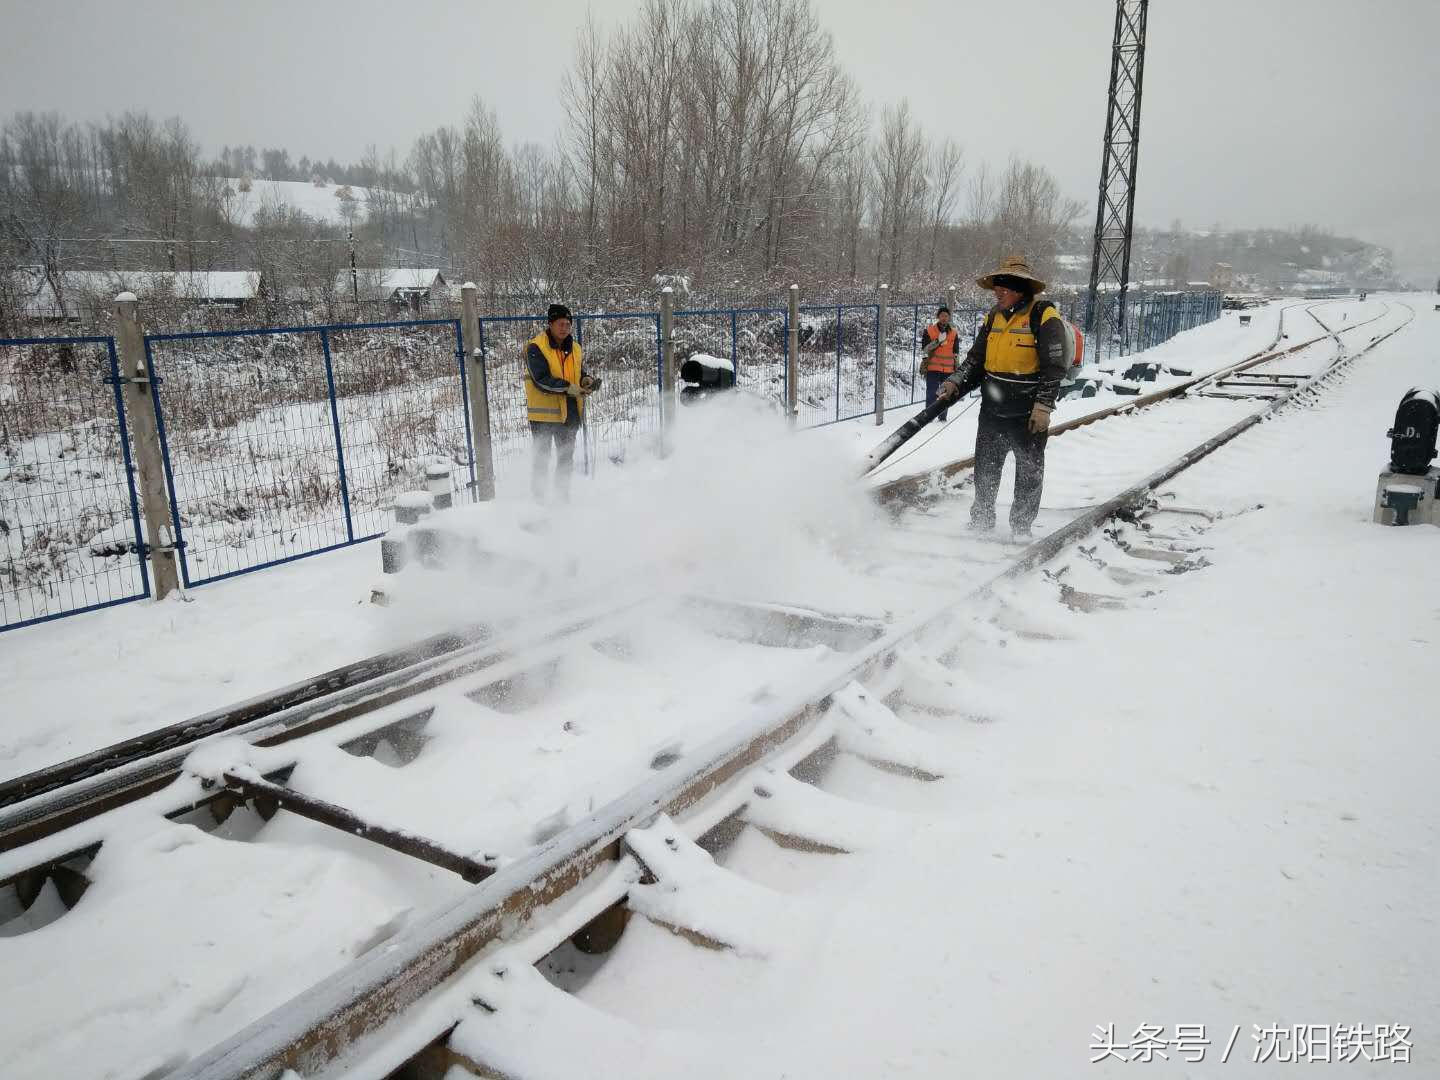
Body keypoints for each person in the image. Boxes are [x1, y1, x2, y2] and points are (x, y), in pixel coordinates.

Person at [936, 256, 1068, 539]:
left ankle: (1021, 528)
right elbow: (975, 361)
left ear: (1019, 289)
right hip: (993, 410)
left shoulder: (1043, 316)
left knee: (1028, 472)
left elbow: (1054, 367)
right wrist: (955, 381)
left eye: (1003, 290)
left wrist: (1043, 406)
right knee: (985, 469)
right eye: (996, 290)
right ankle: (981, 520)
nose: (997, 294)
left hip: (1027, 412)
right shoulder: (993, 317)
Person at [525, 303, 596, 501]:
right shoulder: (536, 347)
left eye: (568, 324)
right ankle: (539, 501)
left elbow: (577, 373)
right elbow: (541, 379)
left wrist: (585, 381)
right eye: (560, 324)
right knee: (542, 460)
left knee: (566, 459)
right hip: (544, 416)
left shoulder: (575, 347)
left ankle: (562, 499)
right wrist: (568, 388)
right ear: (550, 324)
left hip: (570, 412)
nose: (564, 328)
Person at [920, 305, 959, 420]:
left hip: (948, 369)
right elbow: (925, 349)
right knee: (932, 393)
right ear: (938, 317)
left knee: (946, 394)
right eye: (942, 316)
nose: (944, 318)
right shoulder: (929, 330)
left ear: (949, 317)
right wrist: (937, 341)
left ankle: (942, 417)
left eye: (946, 316)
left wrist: (956, 367)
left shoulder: (954, 333)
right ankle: (929, 416)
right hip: (933, 368)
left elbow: (956, 352)